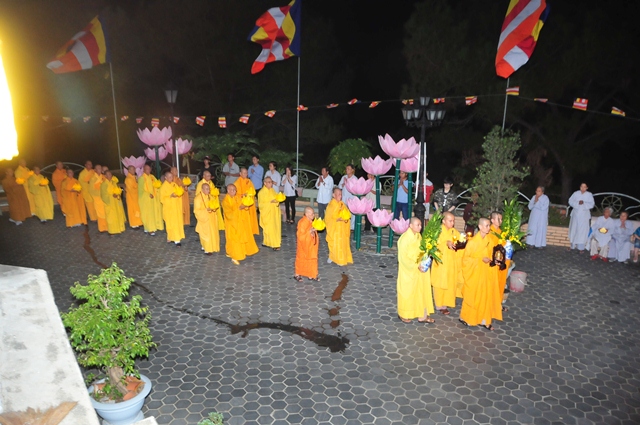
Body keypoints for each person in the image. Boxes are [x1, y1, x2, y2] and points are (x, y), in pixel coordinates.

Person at [459, 218, 502, 331]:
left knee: (485, 296)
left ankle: (484, 320)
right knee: (473, 296)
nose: (489, 228)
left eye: (489, 225)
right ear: (480, 226)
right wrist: (480, 260)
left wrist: (495, 261)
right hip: (474, 275)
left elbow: (492, 255)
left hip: (486, 274)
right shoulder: (473, 242)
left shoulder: (489, 240)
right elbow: (465, 260)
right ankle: (467, 318)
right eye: (486, 226)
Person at [397, 217, 435, 324]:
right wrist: (415, 265)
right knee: (407, 293)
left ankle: (422, 316)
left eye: (420, 225)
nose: (420, 227)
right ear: (411, 226)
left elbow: (421, 250)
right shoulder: (404, 239)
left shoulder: (418, 236)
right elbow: (403, 258)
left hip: (420, 269)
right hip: (408, 271)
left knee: (422, 292)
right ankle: (403, 314)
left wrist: (427, 257)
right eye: (417, 225)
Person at [431, 212, 460, 315]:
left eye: (453, 221)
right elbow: (433, 245)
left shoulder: (454, 231)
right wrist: (445, 243)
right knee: (439, 283)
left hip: (451, 262)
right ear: (443, 221)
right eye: (450, 221)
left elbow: (459, 241)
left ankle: (446, 303)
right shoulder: (438, 231)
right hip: (441, 262)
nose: (452, 223)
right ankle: (439, 305)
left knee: (450, 282)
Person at [223, 184, 259, 265]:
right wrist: (240, 208)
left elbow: (242, 204)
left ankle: (230, 252)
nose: (234, 192)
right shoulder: (225, 201)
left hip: (239, 223)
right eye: (232, 190)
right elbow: (229, 214)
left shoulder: (236, 197)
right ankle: (235, 257)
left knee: (239, 239)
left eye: (235, 190)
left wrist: (245, 206)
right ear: (228, 190)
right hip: (232, 224)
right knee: (234, 240)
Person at [325, 188, 353, 266]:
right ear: (333, 195)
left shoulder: (342, 204)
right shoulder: (331, 205)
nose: (340, 196)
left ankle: (341, 258)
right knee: (334, 244)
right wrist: (338, 219)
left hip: (342, 229)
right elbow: (328, 218)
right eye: (338, 194)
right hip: (334, 229)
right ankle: (333, 257)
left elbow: (347, 214)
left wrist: (345, 219)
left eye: (341, 194)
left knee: (342, 244)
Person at [489, 211, 509, 312]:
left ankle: (498, 304)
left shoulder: (501, 232)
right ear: (492, 220)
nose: (500, 221)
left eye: (501, 219)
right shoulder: (490, 232)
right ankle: (491, 305)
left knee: (500, 283)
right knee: (493, 284)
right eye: (498, 219)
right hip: (493, 262)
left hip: (501, 262)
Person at [193, 182, 220, 255]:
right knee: (205, 235)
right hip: (204, 219)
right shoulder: (197, 199)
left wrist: (214, 208)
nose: (208, 191)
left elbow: (214, 205)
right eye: (207, 189)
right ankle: (207, 249)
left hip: (211, 219)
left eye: (209, 189)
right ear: (202, 189)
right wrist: (206, 210)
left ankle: (210, 247)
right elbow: (196, 211)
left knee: (211, 234)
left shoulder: (210, 197)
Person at [294, 207, 320, 282]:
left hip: (310, 245)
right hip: (303, 245)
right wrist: (309, 232)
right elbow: (300, 236)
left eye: (313, 213)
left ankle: (311, 274)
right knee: (302, 259)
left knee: (312, 259)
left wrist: (313, 230)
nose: (313, 215)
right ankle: (297, 274)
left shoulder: (311, 221)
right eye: (311, 214)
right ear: (306, 214)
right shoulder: (302, 222)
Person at [138, 164, 164, 236]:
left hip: (153, 199)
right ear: (144, 170)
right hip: (146, 200)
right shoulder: (141, 178)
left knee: (153, 214)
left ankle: (148, 227)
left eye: (149, 169)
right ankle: (150, 229)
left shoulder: (152, 177)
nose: (148, 170)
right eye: (147, 169)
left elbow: (157, 184)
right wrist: (148, 194)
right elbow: (140, 191)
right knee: (147, 214)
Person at [568, 182, 595, 252]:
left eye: (584, 187)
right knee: (574, 229)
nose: (583, 188)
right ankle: (572, 246)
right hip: (575, 214)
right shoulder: (575, 193)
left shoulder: (589, 195)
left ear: (587, 188)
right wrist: (577, 203)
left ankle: (581, 248)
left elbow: (592, 204)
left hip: (584, 216)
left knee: (582, 231)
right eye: (581, 187)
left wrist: (584, 203)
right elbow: (570, 201)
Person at [160, 171, 185, 246]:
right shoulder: (163, 187)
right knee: (171, 224)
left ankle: (172, 237)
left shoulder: (174, 184)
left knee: (176, 223)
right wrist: (170, 196)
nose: (171, 178)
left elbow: (179, 192)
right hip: (169, 209)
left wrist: (179, 193)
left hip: (176, 208)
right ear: (166, 178)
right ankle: (176, 240)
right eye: (169, 177)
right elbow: (162, 199)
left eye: (172, 177)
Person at [257, 177, 281, 250]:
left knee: (274, 228)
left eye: (271, 182)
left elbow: (276, 198)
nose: (271, 184)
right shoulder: (261, 193)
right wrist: (270, 202)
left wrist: (277, 201)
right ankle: (274, 244)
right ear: (265, 183)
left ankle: (267, 242)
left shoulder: (272, 190)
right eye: (269, 182)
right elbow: (261, 205)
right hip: (267, 213)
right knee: (269, 229)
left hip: (274, 213)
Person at [100, 170, 126, 235]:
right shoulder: (104, 184)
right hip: (110, 203)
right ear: (105, 176)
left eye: (111, 174)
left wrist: (118, 193)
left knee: (118, 214)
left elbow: (117, 189)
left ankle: (120, 228)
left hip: (116, 202)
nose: (110, 176)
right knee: (111, 216)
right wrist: (111, 196)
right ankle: (112, 231)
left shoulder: (114, 182)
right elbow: (103, 195)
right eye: (108, 174)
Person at [235, 167, 260, 235]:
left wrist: (250, 194)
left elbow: (253, 191)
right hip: (242, 203)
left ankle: (250, 230)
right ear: (240, 173)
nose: (246, 174)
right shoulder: (237, 182)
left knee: (250, 217)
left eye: (246, 173)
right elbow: (235, 194)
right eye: (244, 173)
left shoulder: (249, 181)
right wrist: (243, 195)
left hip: (249, 202)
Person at [337, 164, 357, 230]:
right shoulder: (344, 177)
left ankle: (352, 227)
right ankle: (343, 224)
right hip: (344, 198)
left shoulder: (355, 178)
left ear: (352, 170)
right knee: (343, 211)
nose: (347, 170)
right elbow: (339, 186)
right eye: (346, 169)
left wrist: (348, 182)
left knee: (352, 213)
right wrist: (343, 184)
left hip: (351, 198)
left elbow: (355, 188)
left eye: (348, 169)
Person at [89, 165, 108, 232]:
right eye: (98, 168)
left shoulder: (103, 177)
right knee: (100, 213)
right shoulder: (93, 179)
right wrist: (100, 192)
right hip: (98, 198)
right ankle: (102, 228)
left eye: (100, 168)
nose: (100, 169)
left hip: (104, 197)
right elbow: (91, 190)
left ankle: (107, 226)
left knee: (106, 212)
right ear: (95, 170)